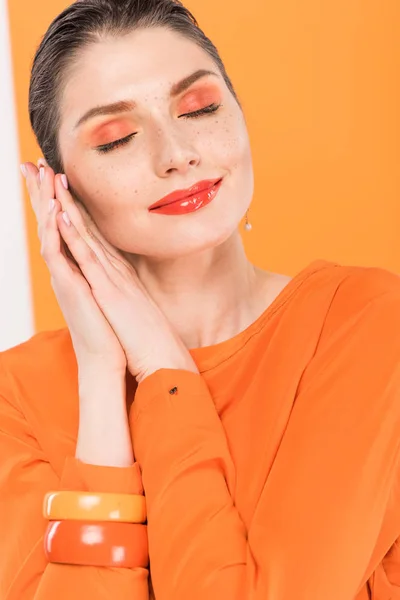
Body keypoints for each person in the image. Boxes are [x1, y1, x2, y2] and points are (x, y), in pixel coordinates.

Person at [1, 0, 400, 598]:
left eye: (201, 107)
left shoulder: (364, 321)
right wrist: (103, 378)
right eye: (117, 138)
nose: (177, 154)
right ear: (57, 187)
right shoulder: (15, 397)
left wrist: (162, 368)